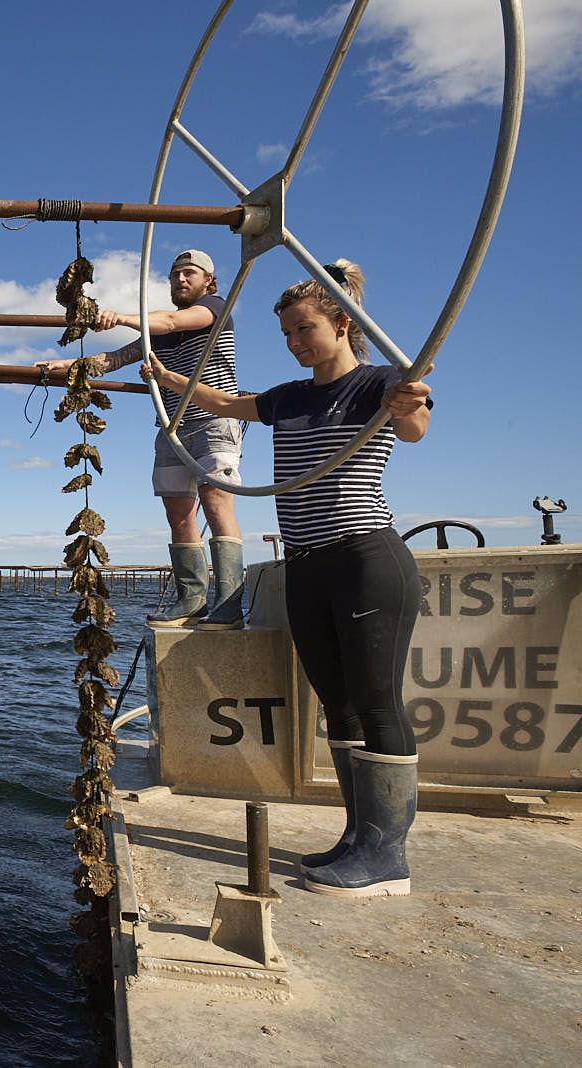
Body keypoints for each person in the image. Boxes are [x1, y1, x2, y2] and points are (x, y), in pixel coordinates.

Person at [144, 259, 432, 898]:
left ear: (342, 322)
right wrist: (164, 377)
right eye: (287, 335)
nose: (297, 343)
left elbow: (412, 427)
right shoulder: (292, 396)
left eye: (305, 329)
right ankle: (360, 837)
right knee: (338, 704)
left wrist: (408, 402)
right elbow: (225, 401)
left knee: (377, 701)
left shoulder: (381, 383)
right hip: (307, 567)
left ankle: (389, 858)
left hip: (364, 561)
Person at [38, 249, 245, 629]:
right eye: (175, 275)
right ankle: (191, 600)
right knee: (178, 515)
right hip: (170, 429)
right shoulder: (155, 334)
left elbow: (171, 321)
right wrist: (68, 366)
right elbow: (114, 359)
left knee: (217, 507)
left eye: (190, 273)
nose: (181, 279)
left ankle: (229, 606)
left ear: (208, 282)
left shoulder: (215, 307)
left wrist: (121, 317)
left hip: (214, 422)